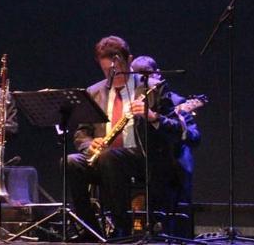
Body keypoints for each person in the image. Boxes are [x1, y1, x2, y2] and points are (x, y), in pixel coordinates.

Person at [65, 36, 192, 238]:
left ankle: (121, 227)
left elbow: (177, 130)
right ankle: (91, 231)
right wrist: (89, 144)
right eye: (108, 71)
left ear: (129, 60)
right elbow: (81, 133)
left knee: (110, 157)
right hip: (106, 158)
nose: (114, 75)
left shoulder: (153, 88)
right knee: (71, 161)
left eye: (119, 69)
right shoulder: (94, 92)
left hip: (144, 158)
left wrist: (152, 116)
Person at [131, 55, 201, 228]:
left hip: (171, 166)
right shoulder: (128, 101)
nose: (144, 83)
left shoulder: (175, 102)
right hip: (141, 164)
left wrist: (163, 120)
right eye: (138, 78)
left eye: (148, 77)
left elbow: (194, 137)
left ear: (158, 76)